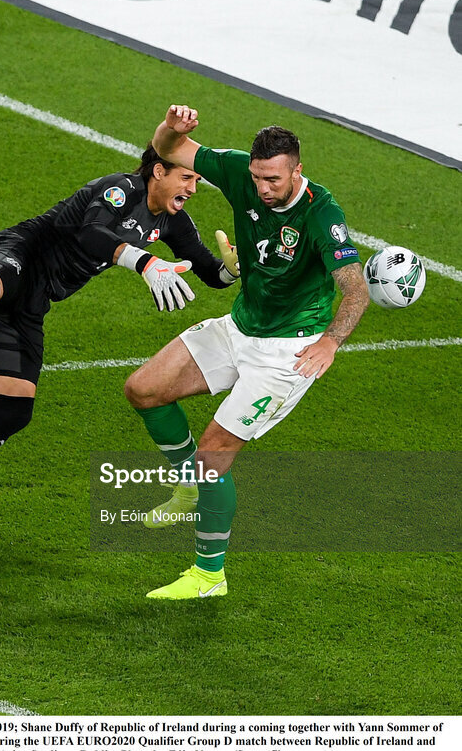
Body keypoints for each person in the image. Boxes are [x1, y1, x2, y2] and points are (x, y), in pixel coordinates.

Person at [0, 145, 238, 536]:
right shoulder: (121, 189)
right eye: (186, 177)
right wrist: (144, 261)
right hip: (21, 252)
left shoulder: (173, 221)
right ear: (158, 172)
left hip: (35, 299)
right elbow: (91, 233)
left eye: (196, 180)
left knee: (13, 411)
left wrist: (232, 269)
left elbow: (209, 271)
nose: (192, 188)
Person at [124, 105, 370, 600]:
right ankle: (189, 488)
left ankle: (209, 576)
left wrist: (330, 341)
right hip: (240, 327)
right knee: (144, 389)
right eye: (258, 178)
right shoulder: (239, 171)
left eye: (273, 179)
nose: (263, 188)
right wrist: (171, 129)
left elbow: (355, 289)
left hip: (287, 354)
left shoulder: (322, 214)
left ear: (297, 171)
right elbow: (168, 150)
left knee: (212, 457)